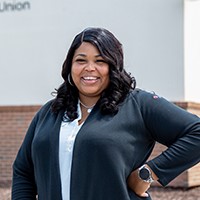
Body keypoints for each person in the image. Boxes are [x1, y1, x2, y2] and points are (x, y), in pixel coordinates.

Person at [12, 27, 200, 200]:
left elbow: (196, 132)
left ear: (114, 66)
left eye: (100, 61)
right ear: (70, 65)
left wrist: (149, 172)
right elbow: (23, 171)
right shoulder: (49, 112)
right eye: (81, 60)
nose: (89, 68)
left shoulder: (137, 104)